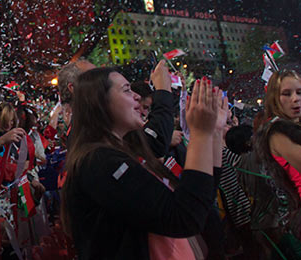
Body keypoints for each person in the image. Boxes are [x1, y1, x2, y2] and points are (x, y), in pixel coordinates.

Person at [62, 68, 224, 259]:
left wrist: (214, 132)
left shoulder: (123, 152)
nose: (137, 96)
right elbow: (184, 217)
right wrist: (200, 133)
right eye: (127, 90)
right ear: (100, 103)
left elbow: (200, 198)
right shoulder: (98, 163)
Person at [255, 70, 301, 260]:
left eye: (299, 92)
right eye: (286, 94)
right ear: (274, 98)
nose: (295, 99)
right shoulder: (278, 133)